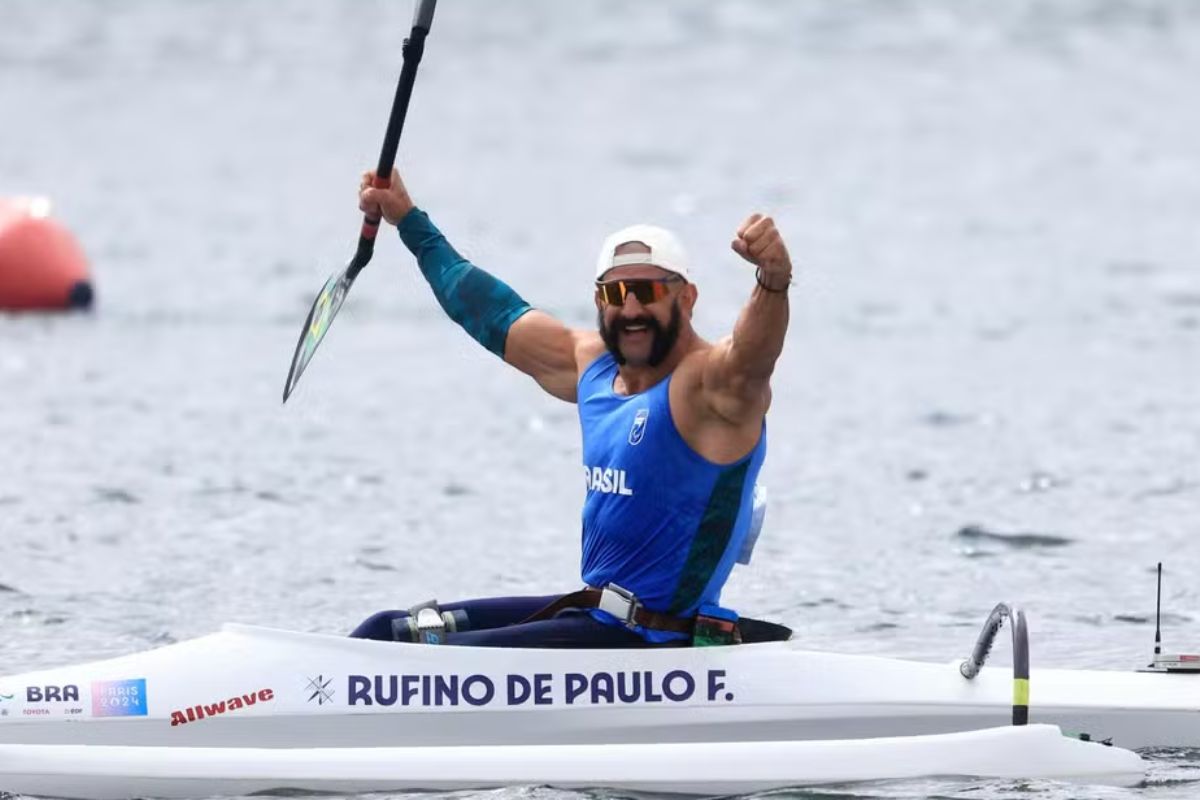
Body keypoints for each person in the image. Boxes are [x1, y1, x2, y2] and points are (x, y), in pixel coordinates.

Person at [349, 168, 793, 648]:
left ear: (686, 298)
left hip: (658, 645)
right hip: (598, 617)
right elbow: (488, 311)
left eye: (646, 291)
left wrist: (773, 280)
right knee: (383, 630)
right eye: (613, 295)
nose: (630, 309)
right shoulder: (593, 370)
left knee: (422, 656)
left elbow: (752, 359)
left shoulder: (709, 388)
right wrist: (410, 222)